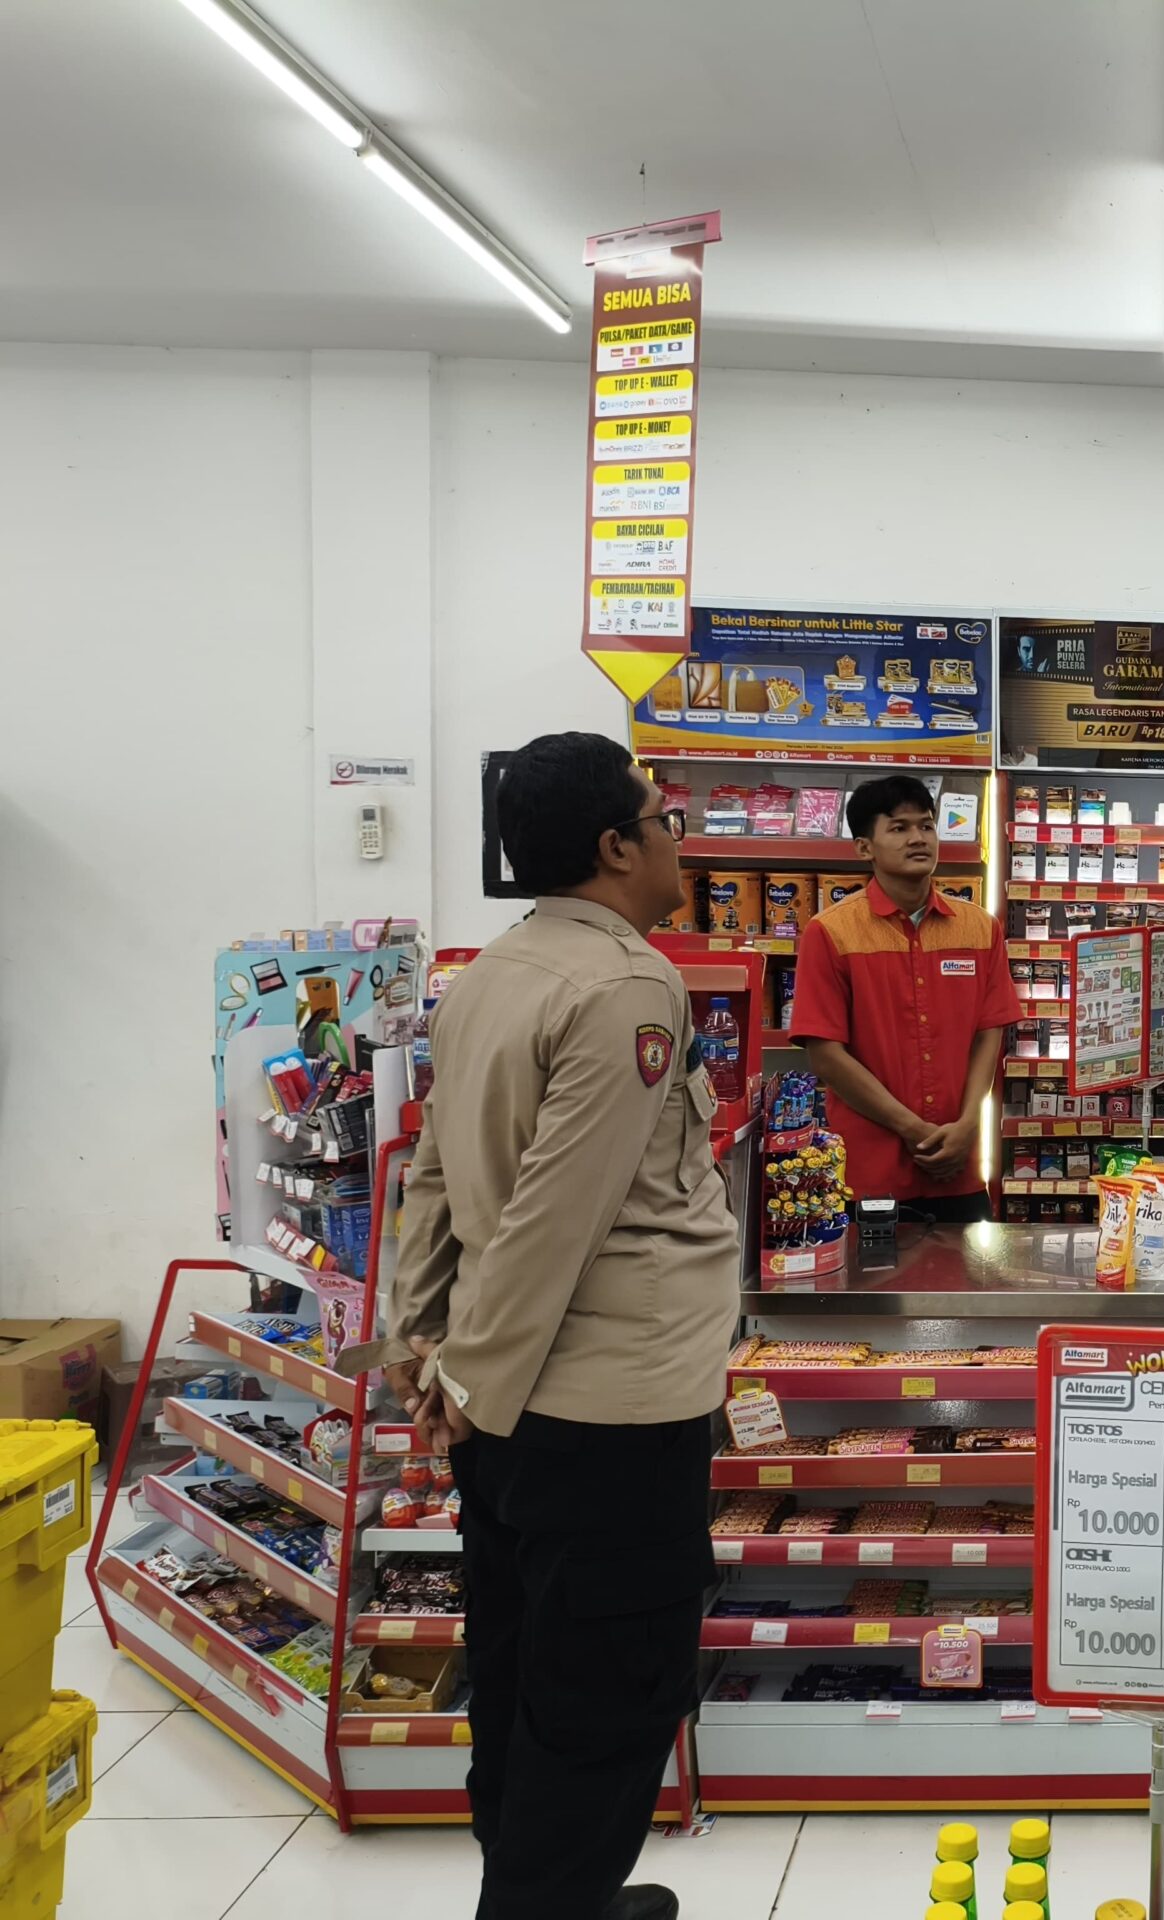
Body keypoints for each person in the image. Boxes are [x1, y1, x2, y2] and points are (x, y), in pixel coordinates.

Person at [385, 731, 737, 1920]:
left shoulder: (494, 972)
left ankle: (546, 1898)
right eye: (663, 818)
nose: (677, 837)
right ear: (614, 846)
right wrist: (466, 1378)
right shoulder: (627, 985)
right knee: (610, 1693)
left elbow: (435, 1173)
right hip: (609, 1408)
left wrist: (426, 1349)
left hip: (513, 1406)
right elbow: (558, 1216)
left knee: (524, 1664)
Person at [791, 774, 1020, 1223]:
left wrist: (969, 1124)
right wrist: (912, 1129)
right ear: (864, 848)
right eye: (899, 828)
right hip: (869, 1174)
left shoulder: (980, 928)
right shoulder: (830, 932)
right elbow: (826, 1056)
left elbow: (988, 1035)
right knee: (873, 1271)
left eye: (926, 825)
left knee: (967, 1269)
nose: (918, 838)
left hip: (960, 1169)